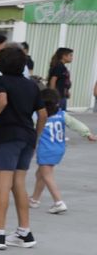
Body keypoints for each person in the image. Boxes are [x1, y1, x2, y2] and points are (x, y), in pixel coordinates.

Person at [0, 47, 46, 250]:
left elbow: (2, 101)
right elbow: (42, 115)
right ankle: (24, 232)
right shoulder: (32, 85)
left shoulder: (0, 81)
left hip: (8, 135)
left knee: (2, 184)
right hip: (28, 136)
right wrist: (36, 137)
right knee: (19, 184)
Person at [30, 85, 95, 213]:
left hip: (46, 150)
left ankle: (58, 202)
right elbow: (76, 124)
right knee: (40, 174)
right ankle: (35, 199)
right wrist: (87, 133)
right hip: (58, 149)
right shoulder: (62, 114)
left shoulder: (40, 118)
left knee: (47, 176)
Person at [47, 47, 73, 111]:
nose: (72, 57)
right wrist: (53, 95)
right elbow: (53, 80)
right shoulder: (59, 66)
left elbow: (62, 81)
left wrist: (66, 91)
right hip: (58, 96)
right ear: (64, 56)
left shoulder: (62, 67)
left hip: (62, 95)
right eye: (70, 55)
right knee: (58, 114)